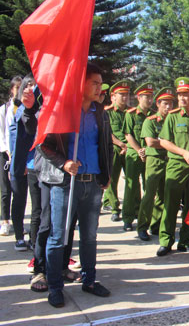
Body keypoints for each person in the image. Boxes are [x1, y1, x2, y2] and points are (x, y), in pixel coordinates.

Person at [38, 62, 113, 307]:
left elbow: (106, 146)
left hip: (92, 184)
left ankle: (89, 280)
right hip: (65, 184)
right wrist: (64, 163)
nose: (99, 87)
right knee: (58, 237)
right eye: (94, 82)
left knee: (90, 236)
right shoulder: (63, 110)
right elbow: (44, 144)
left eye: (100, 83)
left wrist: (106, 175)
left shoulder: (100, 113)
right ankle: (55, 286)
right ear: (80, 83)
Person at [157, 78, 189, 256]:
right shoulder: (173, 116)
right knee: (170, 205)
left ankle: (185, 240)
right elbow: (164, 141)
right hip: (177, 166)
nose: (182, 99)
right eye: (180, 96)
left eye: (186, 95)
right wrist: (184, 153)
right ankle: (166, 241)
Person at [137, 87, 174, 241]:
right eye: (165, 103)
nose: (168, 107)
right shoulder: (150, 121)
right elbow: (150, 142)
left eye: (171, 104)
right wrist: (168, 143)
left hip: (169, 160)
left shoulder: (172, 120)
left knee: (163, 196)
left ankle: (156, 225)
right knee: (149, 194)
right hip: (154, 161)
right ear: (158, 104)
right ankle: (142, 226)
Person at [8, 75, 38, 252]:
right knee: (18, 199)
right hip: (21, 162)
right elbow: (14, 139)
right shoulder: (18, 110)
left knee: (37, 205)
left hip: (35, 162)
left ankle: (35, 240)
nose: (31, 89)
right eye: (28, 86)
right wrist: (19, 161)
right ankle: (19, 236)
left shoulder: (38, 108)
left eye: (34, 86)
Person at [122, 83, 154, 231]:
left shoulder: (154, 115)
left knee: (150, 188)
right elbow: (128, 135)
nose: (149, 99)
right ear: (138, 97)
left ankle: (146, 217)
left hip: (150, 156)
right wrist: (139, 150)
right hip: (134, 155)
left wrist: (147, 151)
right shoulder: (131, 114)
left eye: (151, 96)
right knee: (132, 187)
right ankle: (128, 218)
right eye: (146, 96)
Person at [103, 80, 131, 222]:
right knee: (112, 180)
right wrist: (121, 144)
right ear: (113, 96)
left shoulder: (131, 112)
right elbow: (107, 132)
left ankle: (130, 208)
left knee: (131, 181)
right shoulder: (107, 112)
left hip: (129, 150)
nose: (125, 97)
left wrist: (128, 146)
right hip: (114, 149)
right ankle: (114, 207)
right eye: (122, 94)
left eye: (127, 94)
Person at [0, 76, 21, 236]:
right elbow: (2, 132)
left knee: (19, 190)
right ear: (11, 90)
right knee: (6, 189)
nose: (19, 91)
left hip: (19, 154)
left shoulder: (25, 108)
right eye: (17, 88)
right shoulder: (4, 109)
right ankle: (5, 221)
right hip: (5, 153)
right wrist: (8, 150)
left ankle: (17, 223)